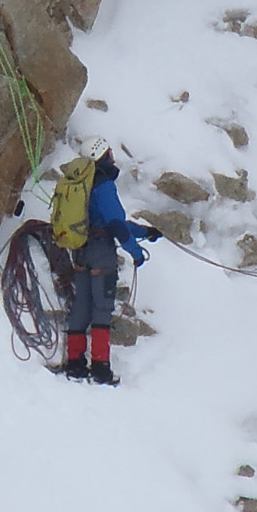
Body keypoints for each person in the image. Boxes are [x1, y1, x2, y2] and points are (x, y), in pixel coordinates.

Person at [55, 149, 162, 386]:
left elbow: (109, 223)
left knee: (81, 305)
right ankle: (101, 368)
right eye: (109, 154)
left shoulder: (82, 185)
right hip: (102, 253)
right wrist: (136, 254)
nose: (113, 159)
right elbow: (116, 226)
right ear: (102, 157)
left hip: (81, 250)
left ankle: (75, 363)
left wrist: (145, 232)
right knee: (102, 308)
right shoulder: (104, 186)